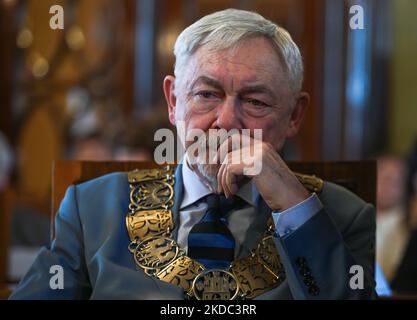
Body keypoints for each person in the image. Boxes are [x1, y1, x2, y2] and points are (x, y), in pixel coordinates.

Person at [10, 9, 376, 300]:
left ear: (294, 115)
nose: (227, 120)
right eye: (207, 95)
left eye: (255, 101)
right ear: (173, 102)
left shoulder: (342, 216)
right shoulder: (92, 209)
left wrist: (294, 208)